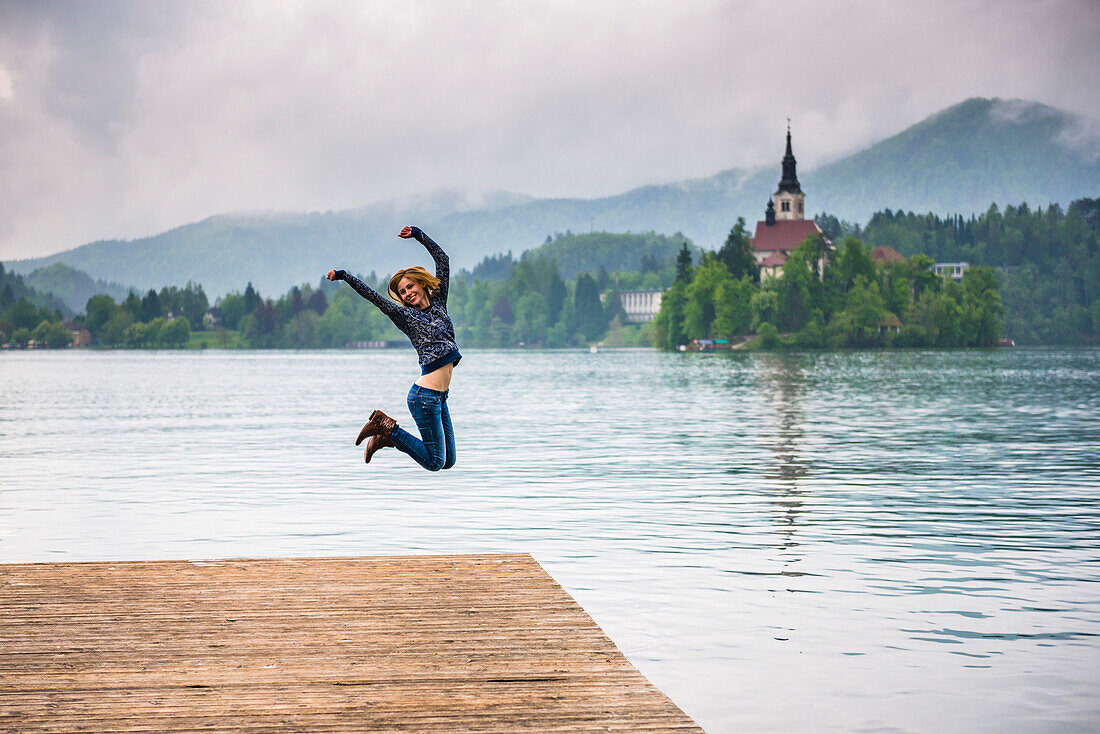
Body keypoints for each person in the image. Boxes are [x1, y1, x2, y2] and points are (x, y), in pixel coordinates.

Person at [326, 226, 460, 469]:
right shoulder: (405, 316)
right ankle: (384, 426)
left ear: (421, 284)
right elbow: (373, 297)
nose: (408, 293)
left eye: (410, 287)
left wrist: (418, 234)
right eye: (402, 292)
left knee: (448, 462)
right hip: (424, 397)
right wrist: (344, 276)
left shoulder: (439, 303)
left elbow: (443, 259)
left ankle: (388, 436)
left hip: (440, 397)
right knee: (434, 462)